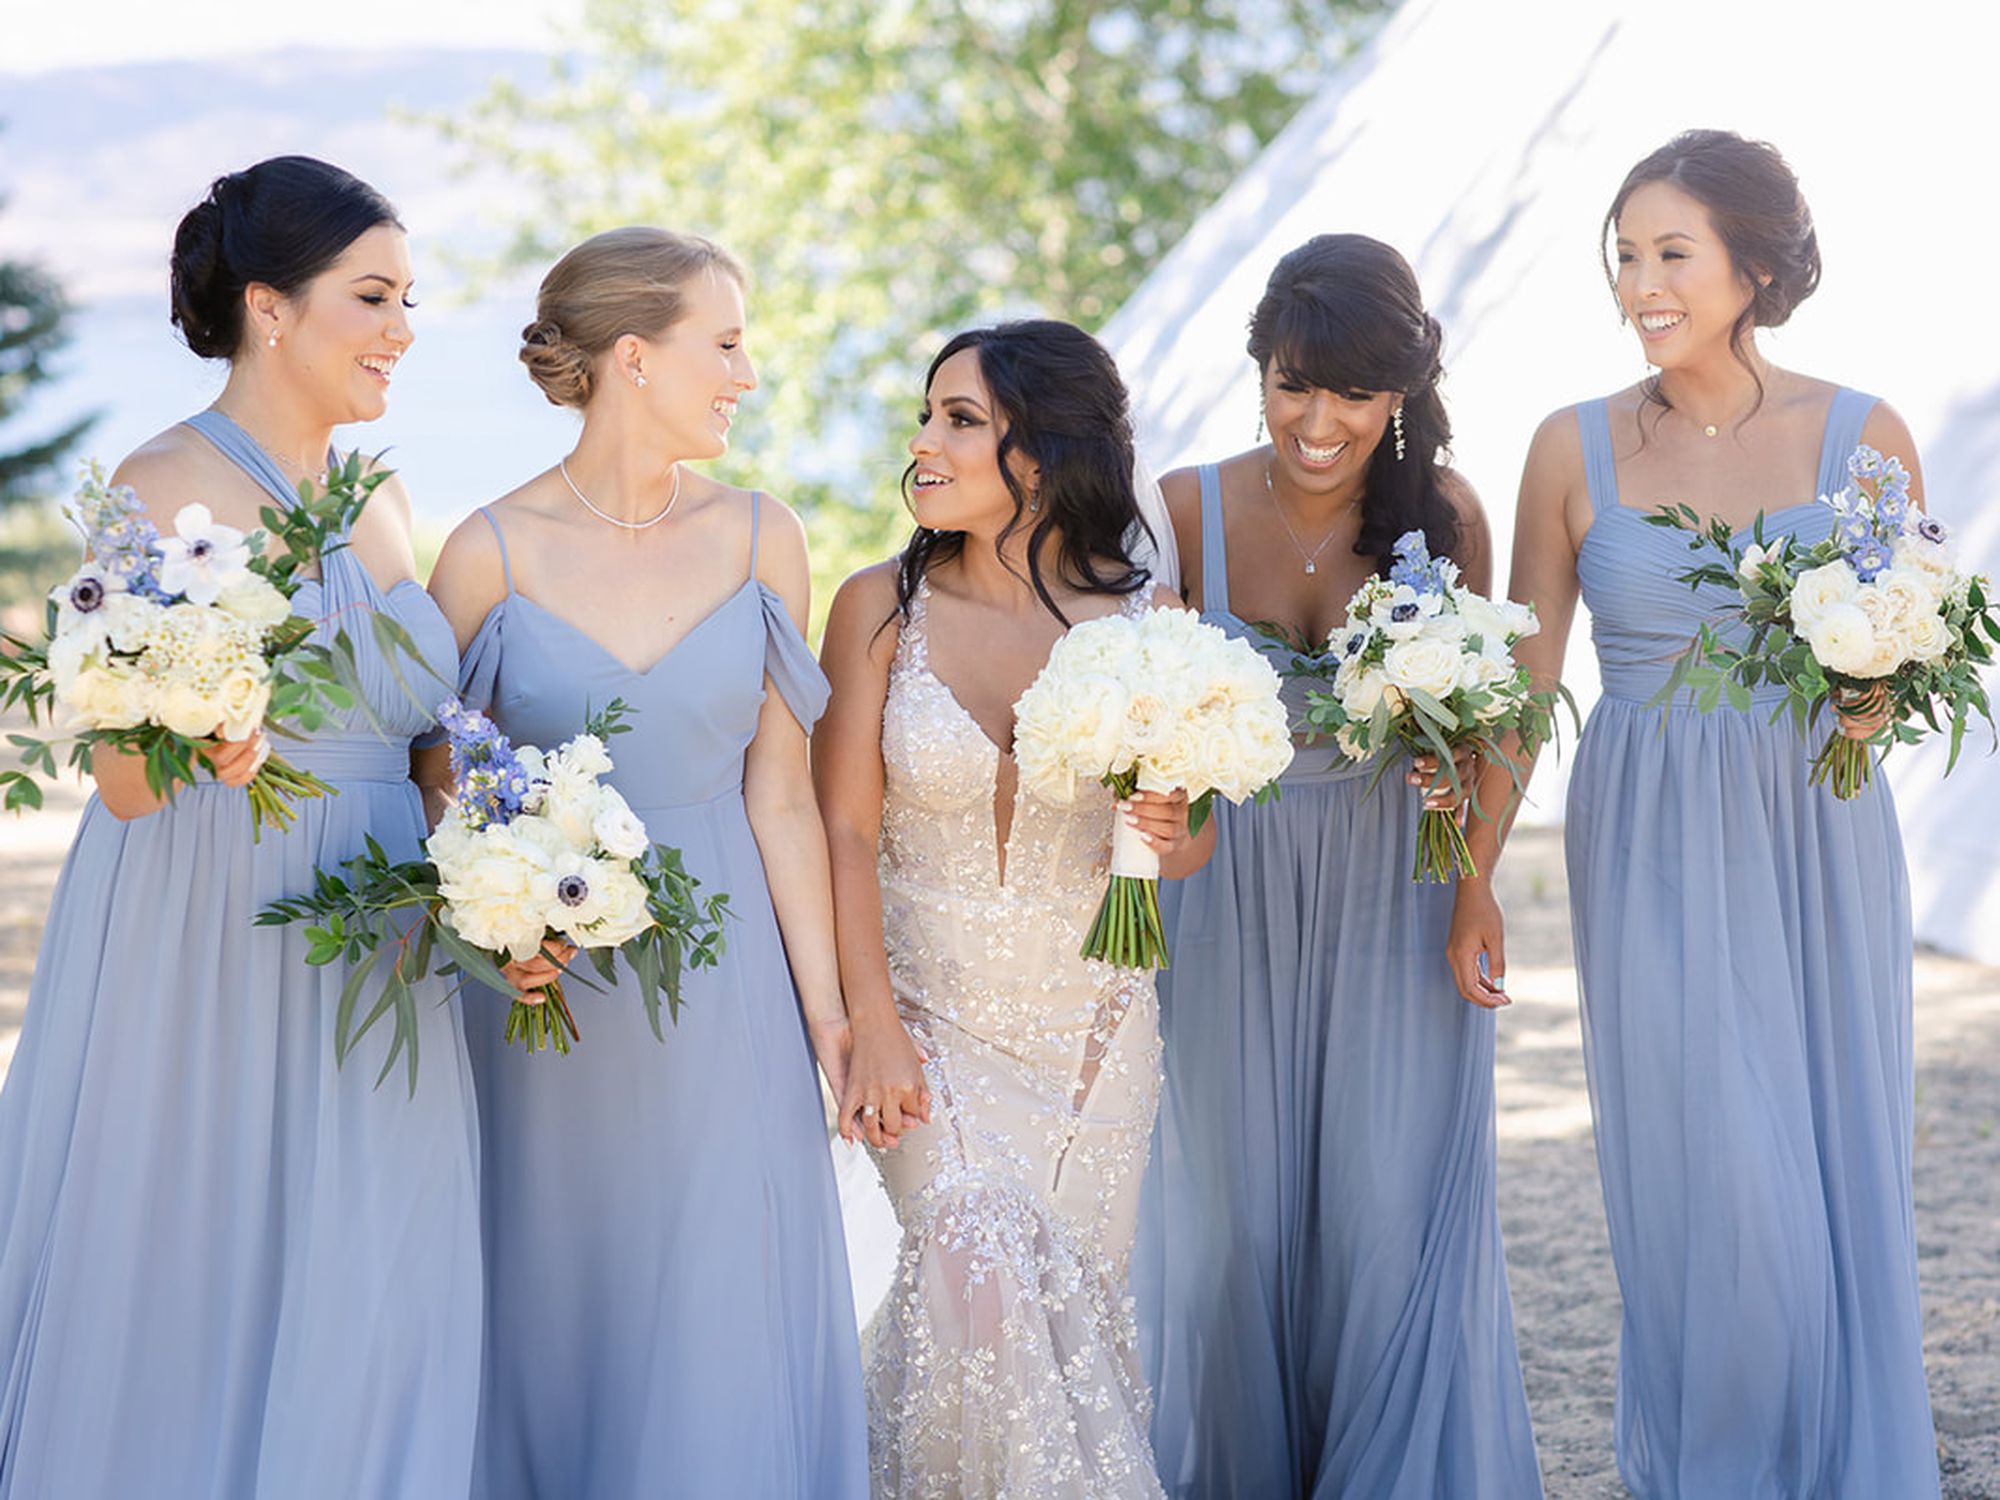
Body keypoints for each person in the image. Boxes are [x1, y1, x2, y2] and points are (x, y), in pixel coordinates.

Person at [1448, 129, 1941, 1498]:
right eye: (1624, 256)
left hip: (1812, 829)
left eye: (1672, 253)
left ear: (1754, 267)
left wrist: (1871, 700)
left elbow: (1906, 646)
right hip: (1647, 836)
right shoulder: (1571, 445)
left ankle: (1833, 1460)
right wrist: (1473, 876)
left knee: (1826, 1156)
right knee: (1704, 1169)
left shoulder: (1862, 435)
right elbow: (1524, 684)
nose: (1640, 284)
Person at [0, 156, 481, 1498]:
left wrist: (505, 857)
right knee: (208, 1247)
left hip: (382, 927)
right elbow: (122, 780)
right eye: (372, 295)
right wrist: (204, 732)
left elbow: (422, 734)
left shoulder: (380, 494)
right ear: (270, 306)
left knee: (379, 1267)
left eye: (408, 297)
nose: (402, 327)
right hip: (217, 912)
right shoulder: (156, 485)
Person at [421, 226, 869, 1498]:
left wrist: (825, 1017)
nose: (744, 375)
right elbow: (439, 791)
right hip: (545, 999)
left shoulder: (763, 536)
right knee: (559, 1301)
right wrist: (504, 939)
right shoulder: (488, 552)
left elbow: (781, 797)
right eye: (722, 345)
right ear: (633, 356)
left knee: (725, 1301)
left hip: (727, 993)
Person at [1132, 233, 1543, 1498]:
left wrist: (1472, 882)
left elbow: (1487, 729)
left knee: (1385, 1213)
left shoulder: (1447, 516)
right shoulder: (1183, 510)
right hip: (1225, 889)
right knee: (1226, 1225)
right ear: (1258, 370)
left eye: (1354, 393)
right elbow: (1140, 724)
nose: (1318, 423)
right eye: (1293, 385)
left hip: (1395, 886)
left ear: (1401, 390)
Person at [816, 320, 1209, 1496]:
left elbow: (1186, 853)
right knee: (975, 1277)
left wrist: (1167, 822)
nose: (923, 443)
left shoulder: (1144, 624)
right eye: (926, 416)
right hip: (926, 1025)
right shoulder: (876, 611)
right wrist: (871, 1026)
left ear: (1039, 453)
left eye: (960, 420)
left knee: (1063, 1327)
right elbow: (842, 833)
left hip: (1092, 1037)